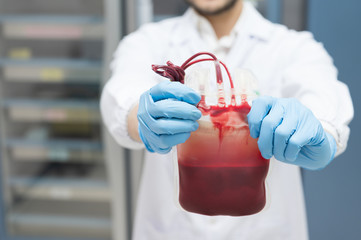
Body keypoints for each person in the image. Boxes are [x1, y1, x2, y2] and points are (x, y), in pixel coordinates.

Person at [100, 0, 353, 239]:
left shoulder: (294, 48)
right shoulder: (147, 42)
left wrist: (321, 131)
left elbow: (323, 94)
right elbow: (123, 92)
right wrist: (142, 118)